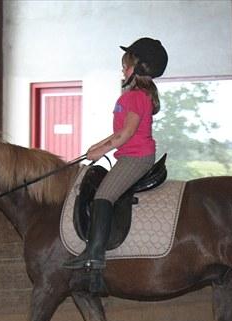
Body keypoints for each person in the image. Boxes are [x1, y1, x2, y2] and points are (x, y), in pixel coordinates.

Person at [64, 37, 168, 270]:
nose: (123, 69)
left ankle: (95, 253)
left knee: (104, 195)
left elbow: (126, 134)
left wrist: (101, 150)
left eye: (126, 65)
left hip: (136, 157)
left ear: (139, 68)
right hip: (129, 154)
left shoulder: (135, 97)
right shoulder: (134, 96)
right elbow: (120, 133)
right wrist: (95, 148)